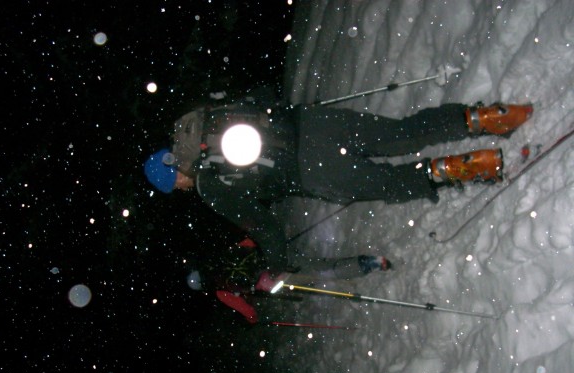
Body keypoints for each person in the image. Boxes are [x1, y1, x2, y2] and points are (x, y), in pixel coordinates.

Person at [144, 99, 533, 279]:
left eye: (174, 186)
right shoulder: (205, 120)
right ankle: (487, 117)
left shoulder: (210, 186)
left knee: (392, 182)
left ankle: (468, 166)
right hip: (315, 123)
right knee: (400, 134)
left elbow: (263, 226)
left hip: (313, 171)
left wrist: (278, 260)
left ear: (175, 176)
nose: (180, 189)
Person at [184, 235, 390, 323]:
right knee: (318, 265)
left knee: (318, 276)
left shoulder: (221, 291)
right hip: (276, 259)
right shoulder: (223, 255)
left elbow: (248, 311)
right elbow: (249, 243)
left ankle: (361, 267)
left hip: (274, 280)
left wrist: (252, 318)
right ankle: (360, 264)